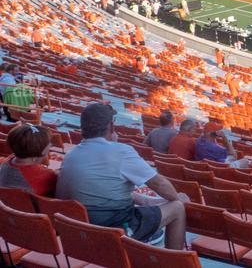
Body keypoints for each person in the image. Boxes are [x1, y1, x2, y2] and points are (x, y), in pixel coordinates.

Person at [56, 103, 188, 249]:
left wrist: (150, 201)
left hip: (81, 230)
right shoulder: (122, 152)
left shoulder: (70, 155)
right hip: (115, 230)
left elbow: (103, 190)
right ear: (111, 126)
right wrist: (177, 198)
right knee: (177, 207)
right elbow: (160, 184)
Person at [0, 123, 58, 196]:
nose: (50, 145)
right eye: (48, 146)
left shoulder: (7, 160)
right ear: (36, 154)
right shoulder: (46, 176)